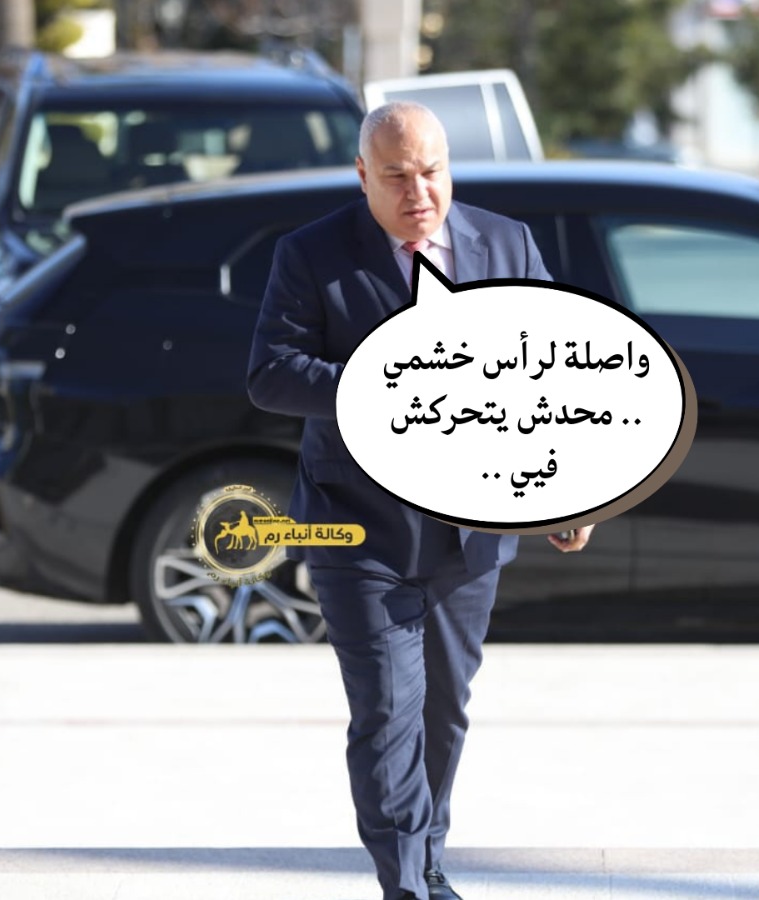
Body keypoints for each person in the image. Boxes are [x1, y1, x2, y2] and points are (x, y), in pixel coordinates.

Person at [247, 102, 595, 900]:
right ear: (362, 175)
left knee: (443, 713)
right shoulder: (311, 254)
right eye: (397, 176)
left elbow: (553, 372)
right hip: (358, 530)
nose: (419, 193)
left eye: (432, 172)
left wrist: (565, 495)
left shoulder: (506, 244)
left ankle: (429, 864)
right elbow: (271, 373)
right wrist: (389, 384)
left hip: (470, 537)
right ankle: (405, 885)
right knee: (387, 710)